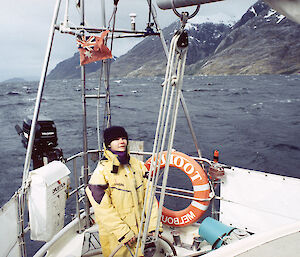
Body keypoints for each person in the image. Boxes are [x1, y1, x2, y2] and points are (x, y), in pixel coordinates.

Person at [86, 126, 161, 257]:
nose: (121, 141)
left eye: (123, 138)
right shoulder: (101, 173)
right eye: (116, 139)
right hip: (117, 238)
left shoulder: (138, 166)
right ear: (108, 144)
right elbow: (103, 210)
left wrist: (153, 225)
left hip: (141, 234)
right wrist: (123, 232)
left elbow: (150, 198)